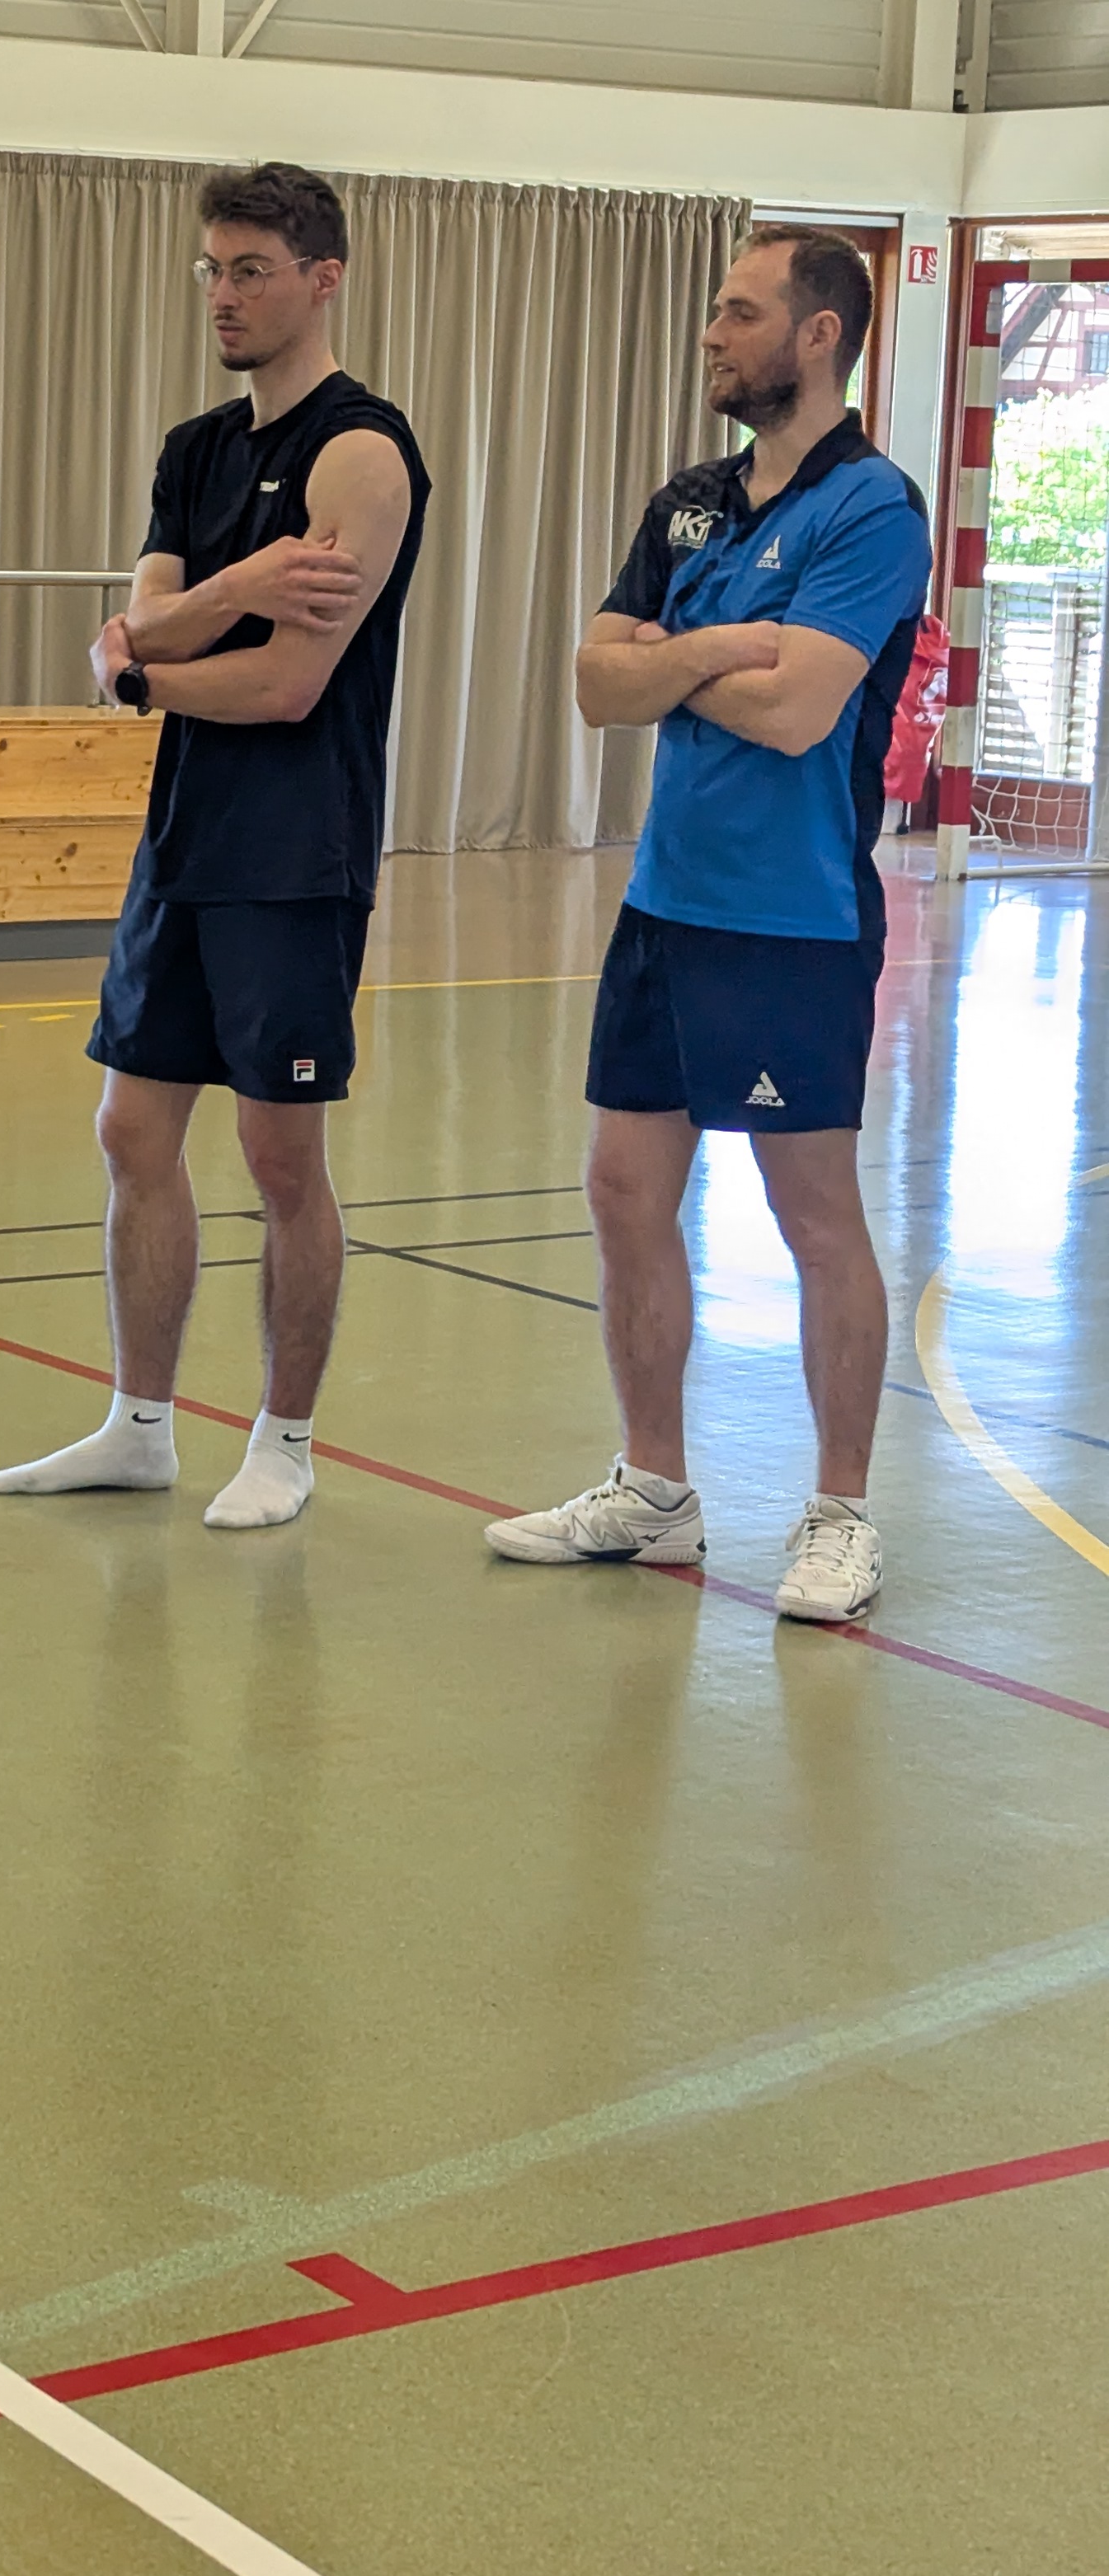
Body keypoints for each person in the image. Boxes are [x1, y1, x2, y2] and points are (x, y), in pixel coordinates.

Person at [488, 224, 931, 1621]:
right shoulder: (690, 503)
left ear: (817, 335)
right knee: (624, 1191)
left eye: (738, 314)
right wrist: (716, 652)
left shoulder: (875, 510)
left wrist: (664, 667)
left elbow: (803, 714)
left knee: (811, 1217)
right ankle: (657, 1491)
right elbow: (590, 683)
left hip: (789, 922)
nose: (710, 335)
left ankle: (844, 1513)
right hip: (662, 908)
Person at [0, 159, 430, 1531]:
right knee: (132, 1128)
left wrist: (146, 663)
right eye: (213, 270)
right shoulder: (196, 452)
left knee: (281, 1156)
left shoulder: (364, 453)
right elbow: (139, 629)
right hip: (184, 838)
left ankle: (286, 1439)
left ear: (323, 278)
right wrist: (230, 590)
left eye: (250, 270)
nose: (225, 295)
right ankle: (140, 1423)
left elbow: (284, 686)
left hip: (297, 849)